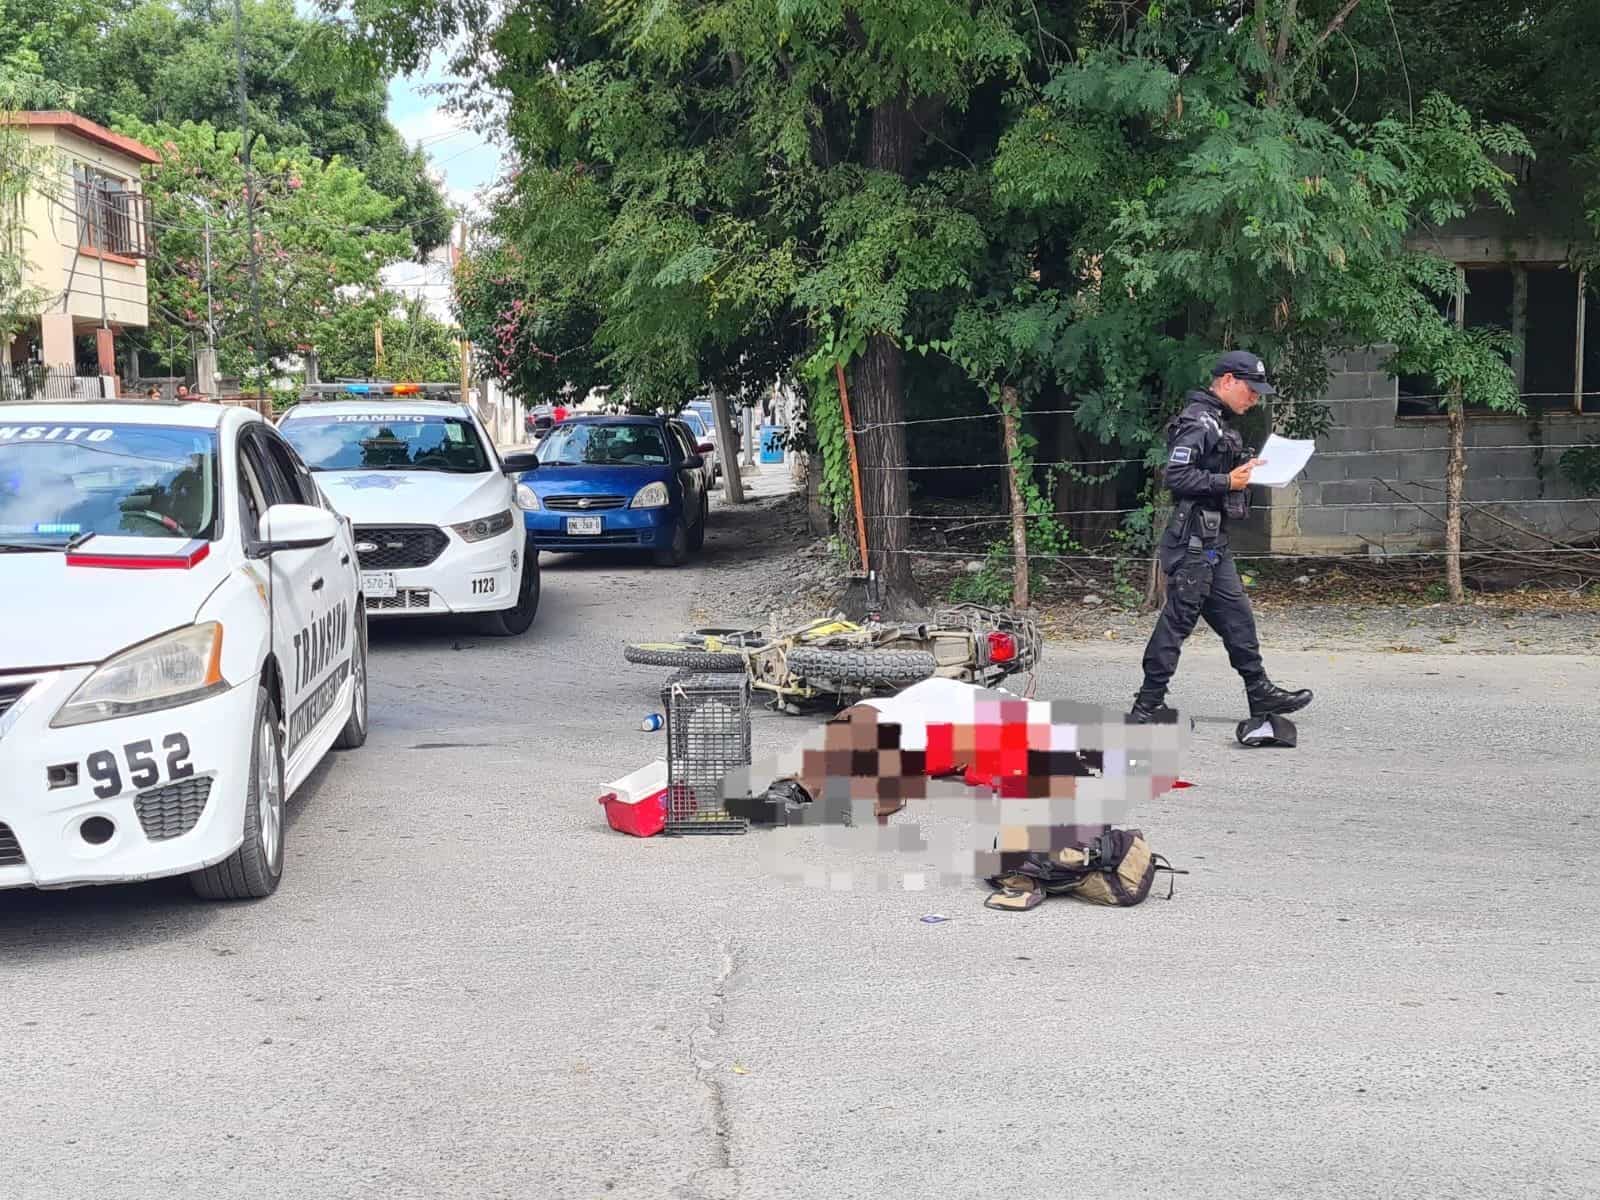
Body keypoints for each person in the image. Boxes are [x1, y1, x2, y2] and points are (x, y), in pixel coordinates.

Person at [1129, 350, 1312, 724]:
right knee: (1178, 621)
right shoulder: (1198, 421)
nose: (1255, 398)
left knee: (1239, 619)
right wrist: (1227, 480)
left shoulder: (1216, 422)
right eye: (1251, 389)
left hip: (1213, 542)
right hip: (1193, 543)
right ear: (1228, 380)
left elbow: (1208, 473)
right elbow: (1176, 477)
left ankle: (1260, 693)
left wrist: (1241, 472)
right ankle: (1147, 706)